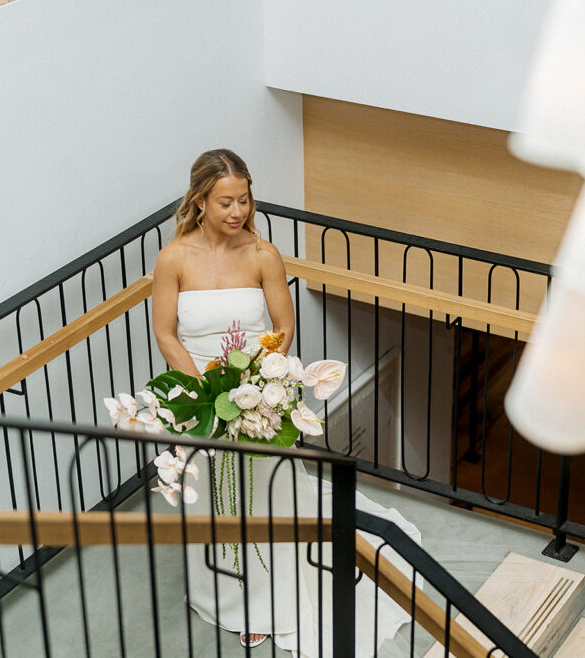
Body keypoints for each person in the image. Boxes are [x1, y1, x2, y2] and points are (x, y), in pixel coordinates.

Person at [152, 149, 419, 656]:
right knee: (216, 501)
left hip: (259, 395)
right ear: (201, 202)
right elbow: (166, 333)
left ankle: (275, 602)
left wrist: (253, 379)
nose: (237, 212)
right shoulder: (174, 259)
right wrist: (204, 393)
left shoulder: (263, 255)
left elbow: (283, 327)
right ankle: (228, 599)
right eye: (226, 202)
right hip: (200, 397)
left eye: (245, 200)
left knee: (266, 500)